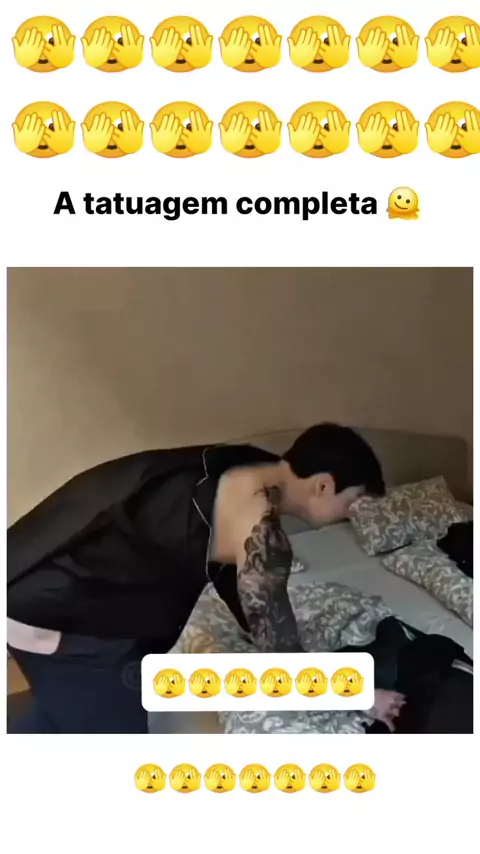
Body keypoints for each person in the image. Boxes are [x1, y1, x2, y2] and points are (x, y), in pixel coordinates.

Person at [7, 423, 385, 733]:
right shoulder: (260, 531)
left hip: (29, 565)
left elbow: (227, 566)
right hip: (56, 613)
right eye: (352, 502)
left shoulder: (249, 464)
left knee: (64, 710)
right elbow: (281, 653)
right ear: (323, 485)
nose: (351, 514)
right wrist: (357, 694)